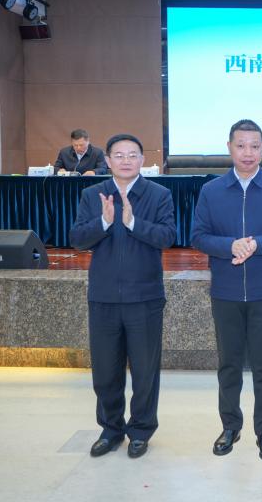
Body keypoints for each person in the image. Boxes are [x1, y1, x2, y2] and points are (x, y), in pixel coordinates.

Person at [191, 119, 262, 463]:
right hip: (225, 291)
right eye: (241, 145)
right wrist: (229, 246)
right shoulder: (211, 191)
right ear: (230, 148)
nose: (248, 152)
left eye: (254, 146)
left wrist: (257, 244)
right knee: (229, 365)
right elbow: (198, 236)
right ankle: (230, 426)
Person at [69, 133, 176, 459]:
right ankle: (111, 429)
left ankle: (141, 430)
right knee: (105, 372)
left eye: (132, 155)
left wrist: (133, 223)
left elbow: (168, 237)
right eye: (119, 155)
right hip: (103, 298)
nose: (126, 160)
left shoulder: (159, 195)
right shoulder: (93, 195)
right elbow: (77, 239)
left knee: (145, 372)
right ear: (108, 160)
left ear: (142, 160)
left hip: (144, 298)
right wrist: (104, 221)